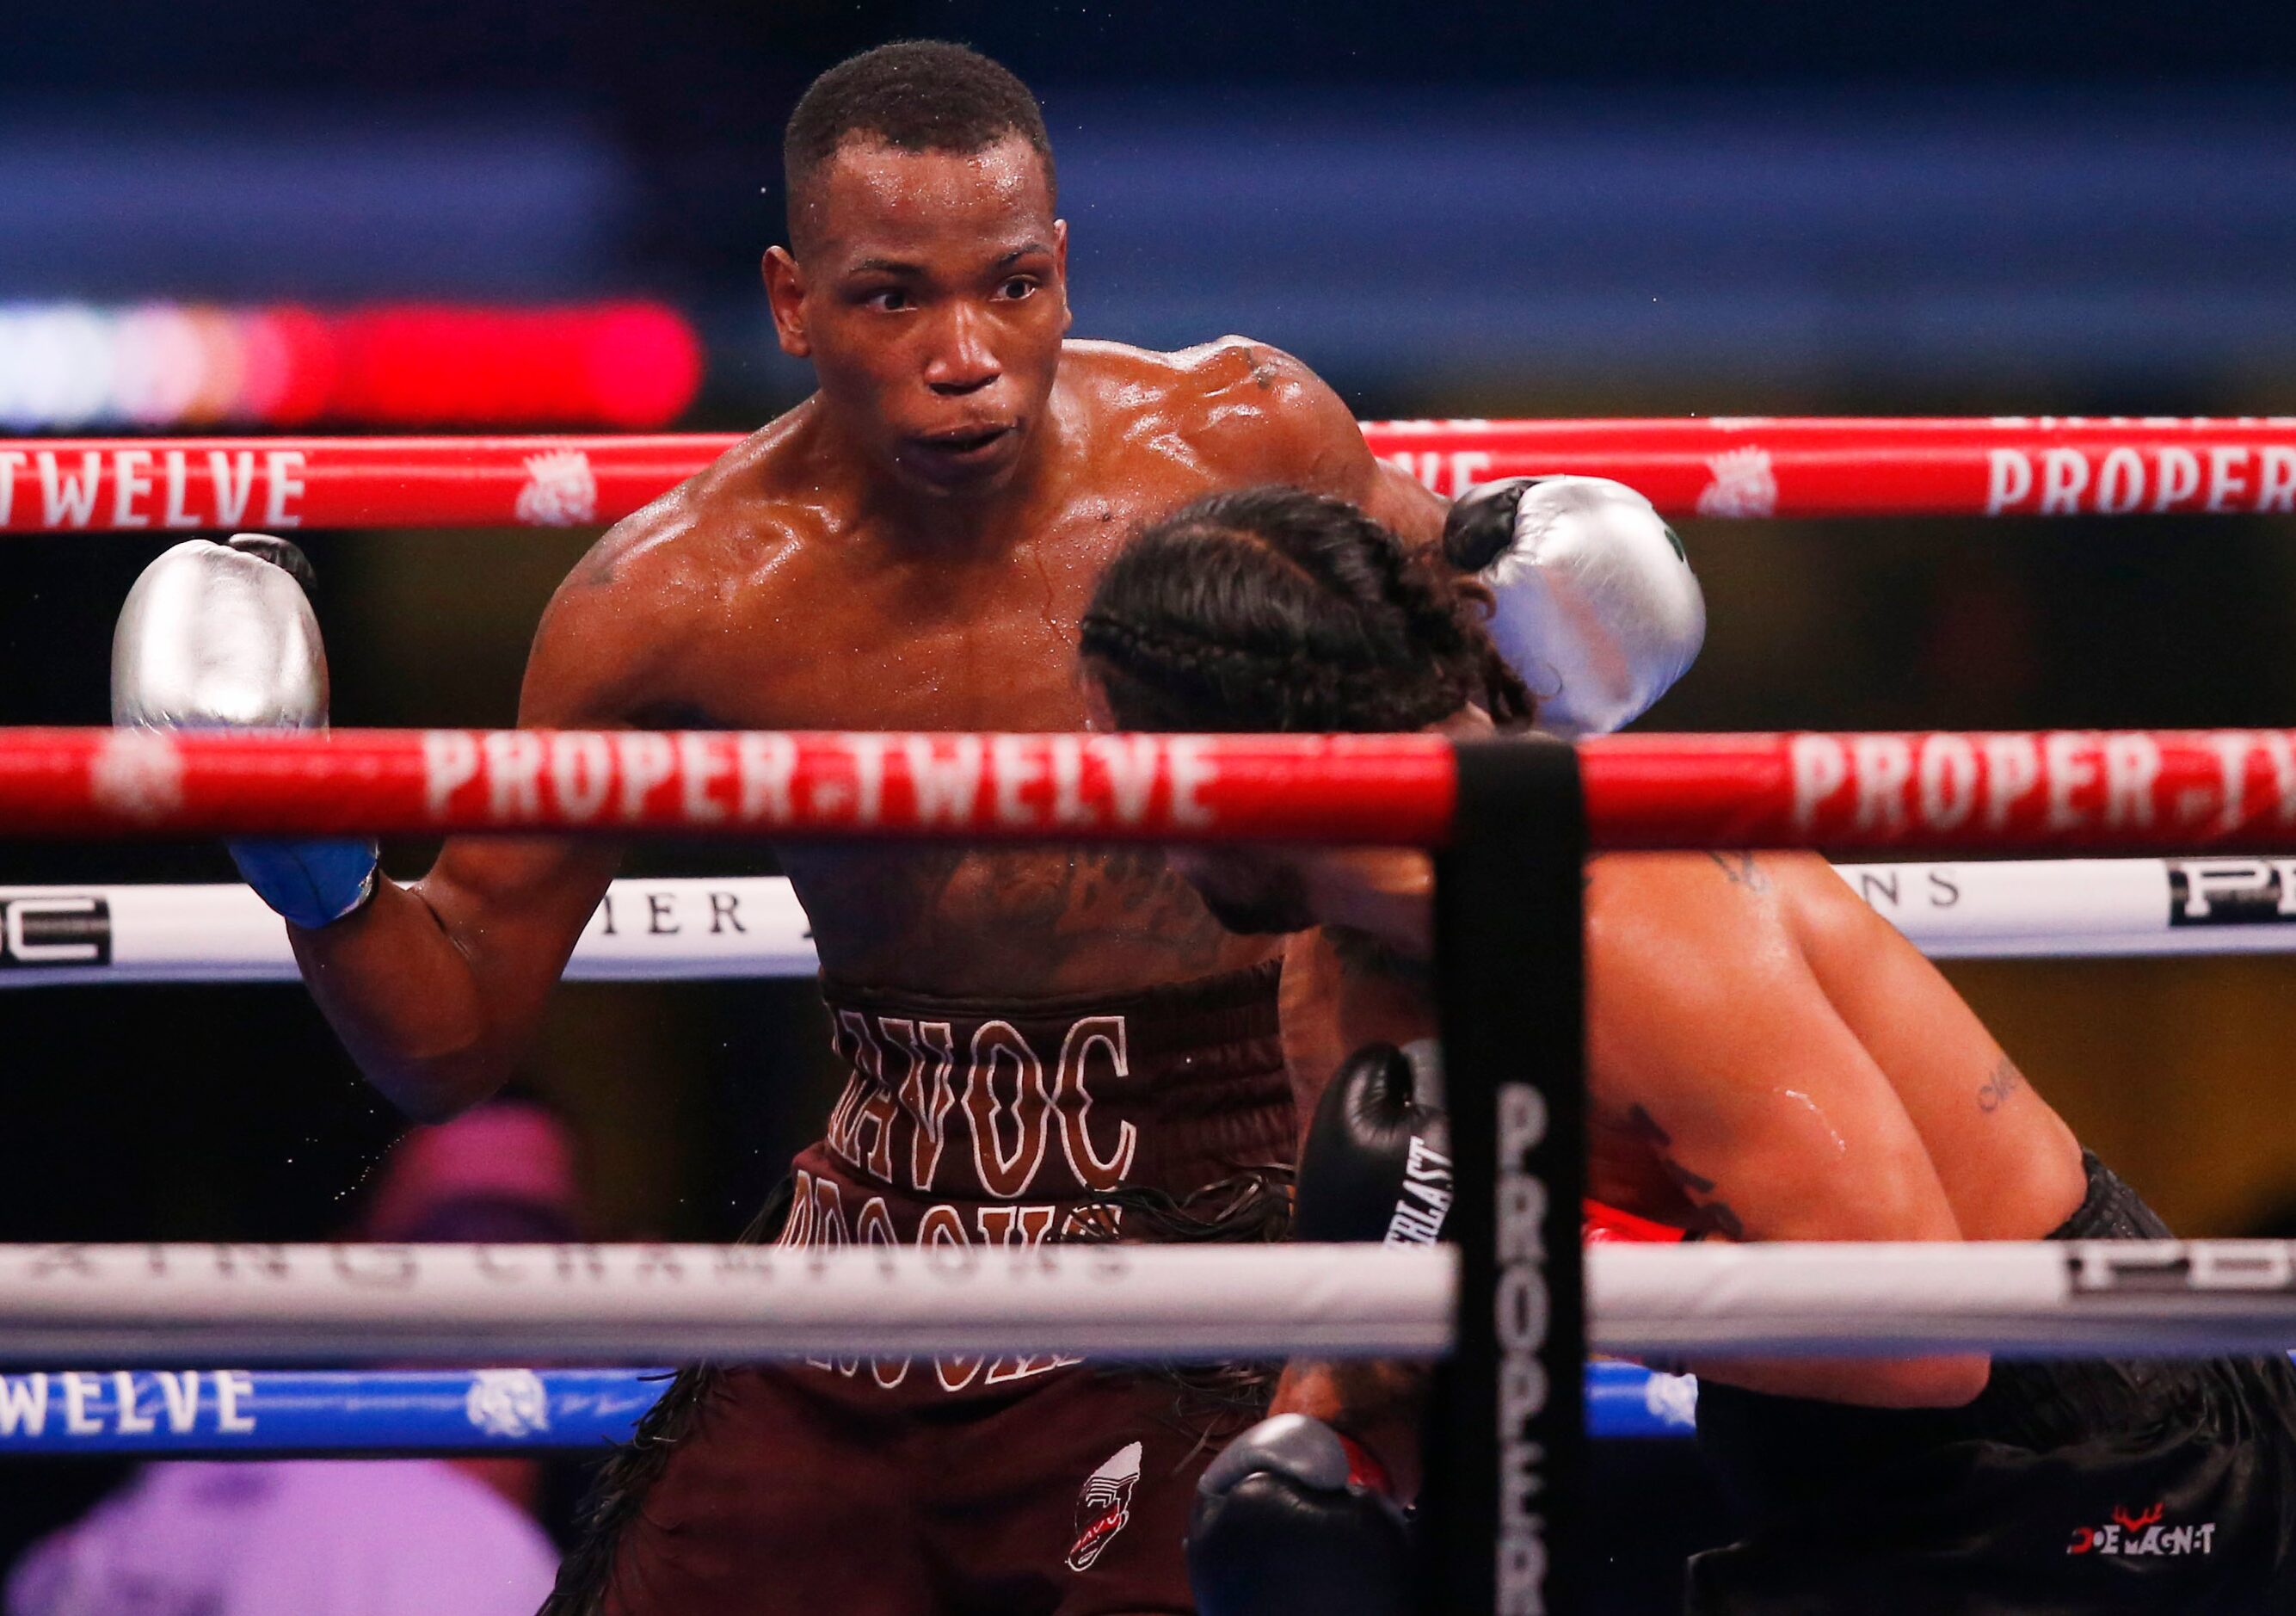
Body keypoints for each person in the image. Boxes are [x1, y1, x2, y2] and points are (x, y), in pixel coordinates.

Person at [108, 40, 1465, 1616]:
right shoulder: (674, 601)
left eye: (1011, 286)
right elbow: (455, 1029)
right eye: (894, 297)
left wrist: (1564, 627)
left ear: (1063, 269)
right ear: (791, 300)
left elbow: (1491, 715)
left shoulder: (1247, 444)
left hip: (1220, 1225)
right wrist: (308, 862)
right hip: (875, 1246)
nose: (967, 354)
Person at [1077, 484, 2296, 1613]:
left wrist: (1518, 1254)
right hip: (1825, 1471)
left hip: (2095, 1453)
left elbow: (1925, 1345)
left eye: (1129, 761)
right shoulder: (1332, 963)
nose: (1123, 825)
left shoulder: (1627, 906)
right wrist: (1313, 1465)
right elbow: (1385, 1320)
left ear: (1245, 755)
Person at [5, 1099, 581, 1616]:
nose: (500, 1272)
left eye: (535, 1237)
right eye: (456, 1237)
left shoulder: (162, 1502)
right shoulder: (467, 1556)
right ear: (349, 1259)